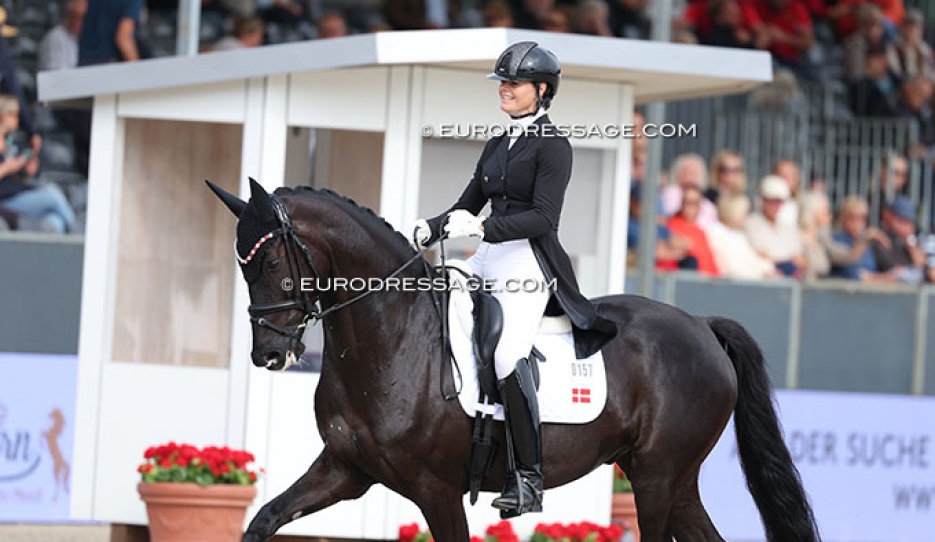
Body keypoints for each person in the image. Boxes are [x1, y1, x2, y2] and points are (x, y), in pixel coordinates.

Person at [412, 42, 617, 518]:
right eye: (502, 81)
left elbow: (543, 219)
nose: (504, 88)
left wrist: (481, 227)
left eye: (514, 83)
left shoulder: (554, 147)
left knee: (507, 353)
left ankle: (528, 478)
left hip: (526, 262)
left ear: (541, 91)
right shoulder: (495, 144)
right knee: (438, 310)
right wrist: (434, 225)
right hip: (486, 255)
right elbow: (468, 203)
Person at [0, 95, 76, 233]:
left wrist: (26, 172)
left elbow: (15, 179)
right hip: (5, 199)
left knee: (55, 220)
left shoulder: (11, 142)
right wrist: (7, 167)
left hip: (17, 192)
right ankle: (82, 240)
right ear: (4, 116)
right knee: (53, 195)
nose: (18, 120)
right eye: (14, 115)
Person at [745, 175, 807, 277]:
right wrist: (786, 261)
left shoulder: (787, 227)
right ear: (762, 199)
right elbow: (762, 256)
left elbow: (800, 259)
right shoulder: (751, 224)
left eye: (779, 201)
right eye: (771, 200)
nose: (775, 205)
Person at [78, 0, 143, 66]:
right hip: (109, 62)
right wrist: (137, 70)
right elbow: (123, 38)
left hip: (83, 57)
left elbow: (77, 12)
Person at [39, 0, 87, 72]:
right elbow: (55, 77)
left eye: (82, 18)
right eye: (74, 16)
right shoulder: (55, 39)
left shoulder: (73, 39)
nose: (78, 22)